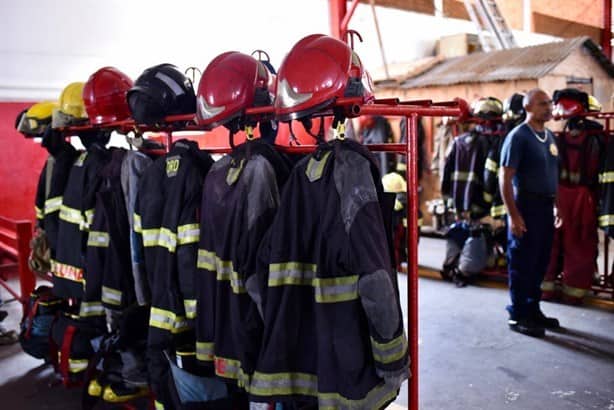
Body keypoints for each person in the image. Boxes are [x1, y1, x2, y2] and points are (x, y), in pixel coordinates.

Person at [499, 88, 561, 337]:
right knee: (522, 262)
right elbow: (505, 177)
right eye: (542, 103)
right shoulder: (519, 137)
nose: (548, 107)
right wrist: (514, 215)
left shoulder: (549, 137)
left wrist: (556, 206)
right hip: (525, 206)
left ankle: (533, 309)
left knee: (539, 262)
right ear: (527, 108)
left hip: (545, 208)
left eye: (549, 103)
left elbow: (551, 174)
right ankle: (518, 315)